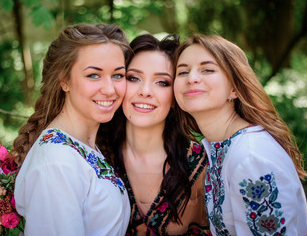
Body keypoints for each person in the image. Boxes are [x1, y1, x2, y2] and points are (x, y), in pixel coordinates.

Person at [173, 34, 307, 235]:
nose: (192, 78)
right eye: (182, 71)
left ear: (235, 88)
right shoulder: (220, 147)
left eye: (207, 69)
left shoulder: (251, 158)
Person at [12, 23, 132, 235]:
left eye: (118, 75)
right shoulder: (55, 162)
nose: (110, 89)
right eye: (94, 75)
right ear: (64, 80)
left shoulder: (85, 144)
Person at [97, 34, 211, 235]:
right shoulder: (96, 155)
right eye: (134, 78)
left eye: (162, 82)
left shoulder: (202, 165)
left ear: (176, 93)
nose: (145, 91)